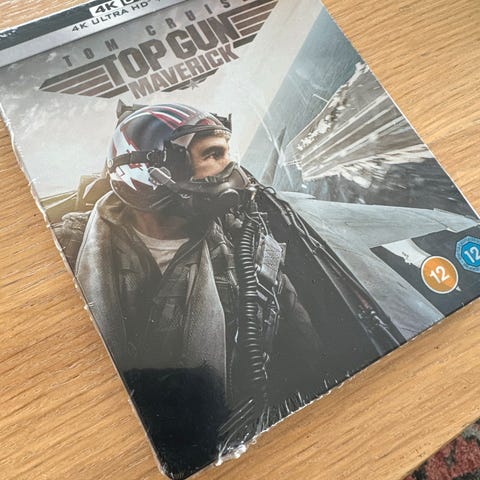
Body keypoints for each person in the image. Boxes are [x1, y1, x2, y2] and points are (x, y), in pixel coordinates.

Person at [54, 103, 327, 478]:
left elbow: (307, 359)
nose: (231, 170)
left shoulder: (250, 253)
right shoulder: (62, 254)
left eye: (225, 153)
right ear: (151, 171)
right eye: (212, 155)